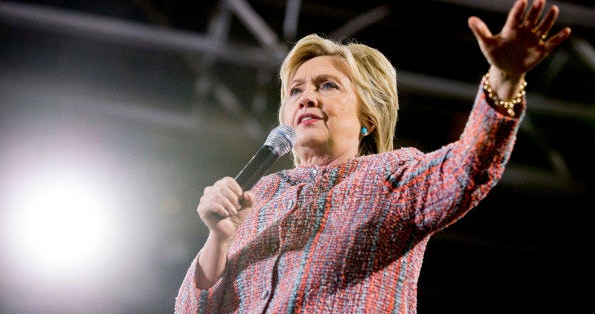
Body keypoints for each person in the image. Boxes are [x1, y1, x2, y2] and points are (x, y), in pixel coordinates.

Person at [174, 0, 571, 312]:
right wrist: (219, 239)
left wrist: (505, 79)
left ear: (368, 118)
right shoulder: (254, 200)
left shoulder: (390, 177)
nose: (307, 97)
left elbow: (467, 171)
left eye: (327, 85)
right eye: (295, 90)